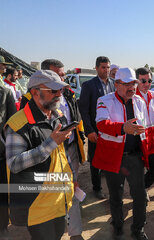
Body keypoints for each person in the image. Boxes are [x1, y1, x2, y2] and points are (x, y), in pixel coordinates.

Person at [5, 70, 75, 240]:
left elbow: (61, 156)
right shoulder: (17, 124)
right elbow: (14, 163)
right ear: (35, 92)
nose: (59, 94)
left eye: (61, 90)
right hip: (36, 205)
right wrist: (49, 145)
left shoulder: (58, 117)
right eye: (53, 90)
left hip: (59, 198)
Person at [91, 67, 149, 240]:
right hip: (114, 158)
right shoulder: (104, 100)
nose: (132, 87)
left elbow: (145, 127)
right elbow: (101, 124)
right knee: (116, 196)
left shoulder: (139, 101)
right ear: (116, 84)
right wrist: (123, 128)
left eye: (134, 83)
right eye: (127, 84)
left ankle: (138, 229)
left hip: (135, 157)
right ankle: (117, 226)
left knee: (139, 196)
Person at [40, 59, 86, 240]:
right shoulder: (33, 101)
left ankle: (75, 233)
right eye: (57, 76)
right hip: (49, 154)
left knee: (73, 188)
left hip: (71, 149)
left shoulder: (68, 94)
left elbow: (77, 117)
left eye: (63, 75)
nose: (62, 79)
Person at [79, 56, 114, 200]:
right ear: (96, 68)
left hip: (111, 130)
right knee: (95, 161)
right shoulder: (89, 85)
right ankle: (97, 188)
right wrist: (89, 130)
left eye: (108, 67)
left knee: (111, 159)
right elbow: (84, 110)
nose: (106, 70)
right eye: (103, 67)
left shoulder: (113, 84)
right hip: (95, 131)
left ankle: (112, 185)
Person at [135, 67, 154, 191]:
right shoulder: (132, 97)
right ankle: (140, 194)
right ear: (136, 81)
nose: (147, 84)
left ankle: (141, 190)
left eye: (149, 81)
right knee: (139, 171)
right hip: (139, 139)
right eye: (143, 81)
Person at [0, 86, 16, 237]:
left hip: (1, 155)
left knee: (2, 192)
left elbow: (13, 124)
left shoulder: (5, 93)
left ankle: (2, 226)